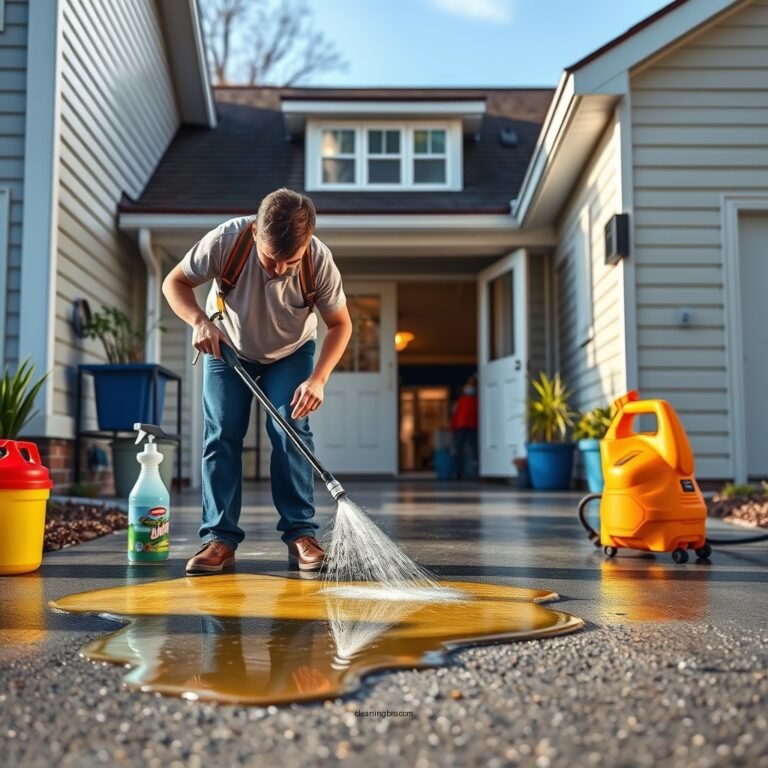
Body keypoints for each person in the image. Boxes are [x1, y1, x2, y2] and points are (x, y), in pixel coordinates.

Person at [162, 189, 352, 575]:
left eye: (290, 262)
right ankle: (218, 539)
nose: (279, 270)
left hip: (291, 353)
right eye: (271, 259)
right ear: (254, 235)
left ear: (307, 241)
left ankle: (301, 534)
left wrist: (318, 379)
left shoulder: (319, 261)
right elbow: (174, 283)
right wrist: (199, 321)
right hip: (228, 348)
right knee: (223, 435)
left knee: (291, 430)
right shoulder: (225, 241)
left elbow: (340, 324)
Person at [451, 375, 479, 480]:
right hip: (461, 426)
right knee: (458, 450)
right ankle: (458, 472)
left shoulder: (478, 399)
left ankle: (476, 472)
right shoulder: (460, 400)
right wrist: (453, 427)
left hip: (472, 426)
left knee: (475, 450)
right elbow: (455, 414)